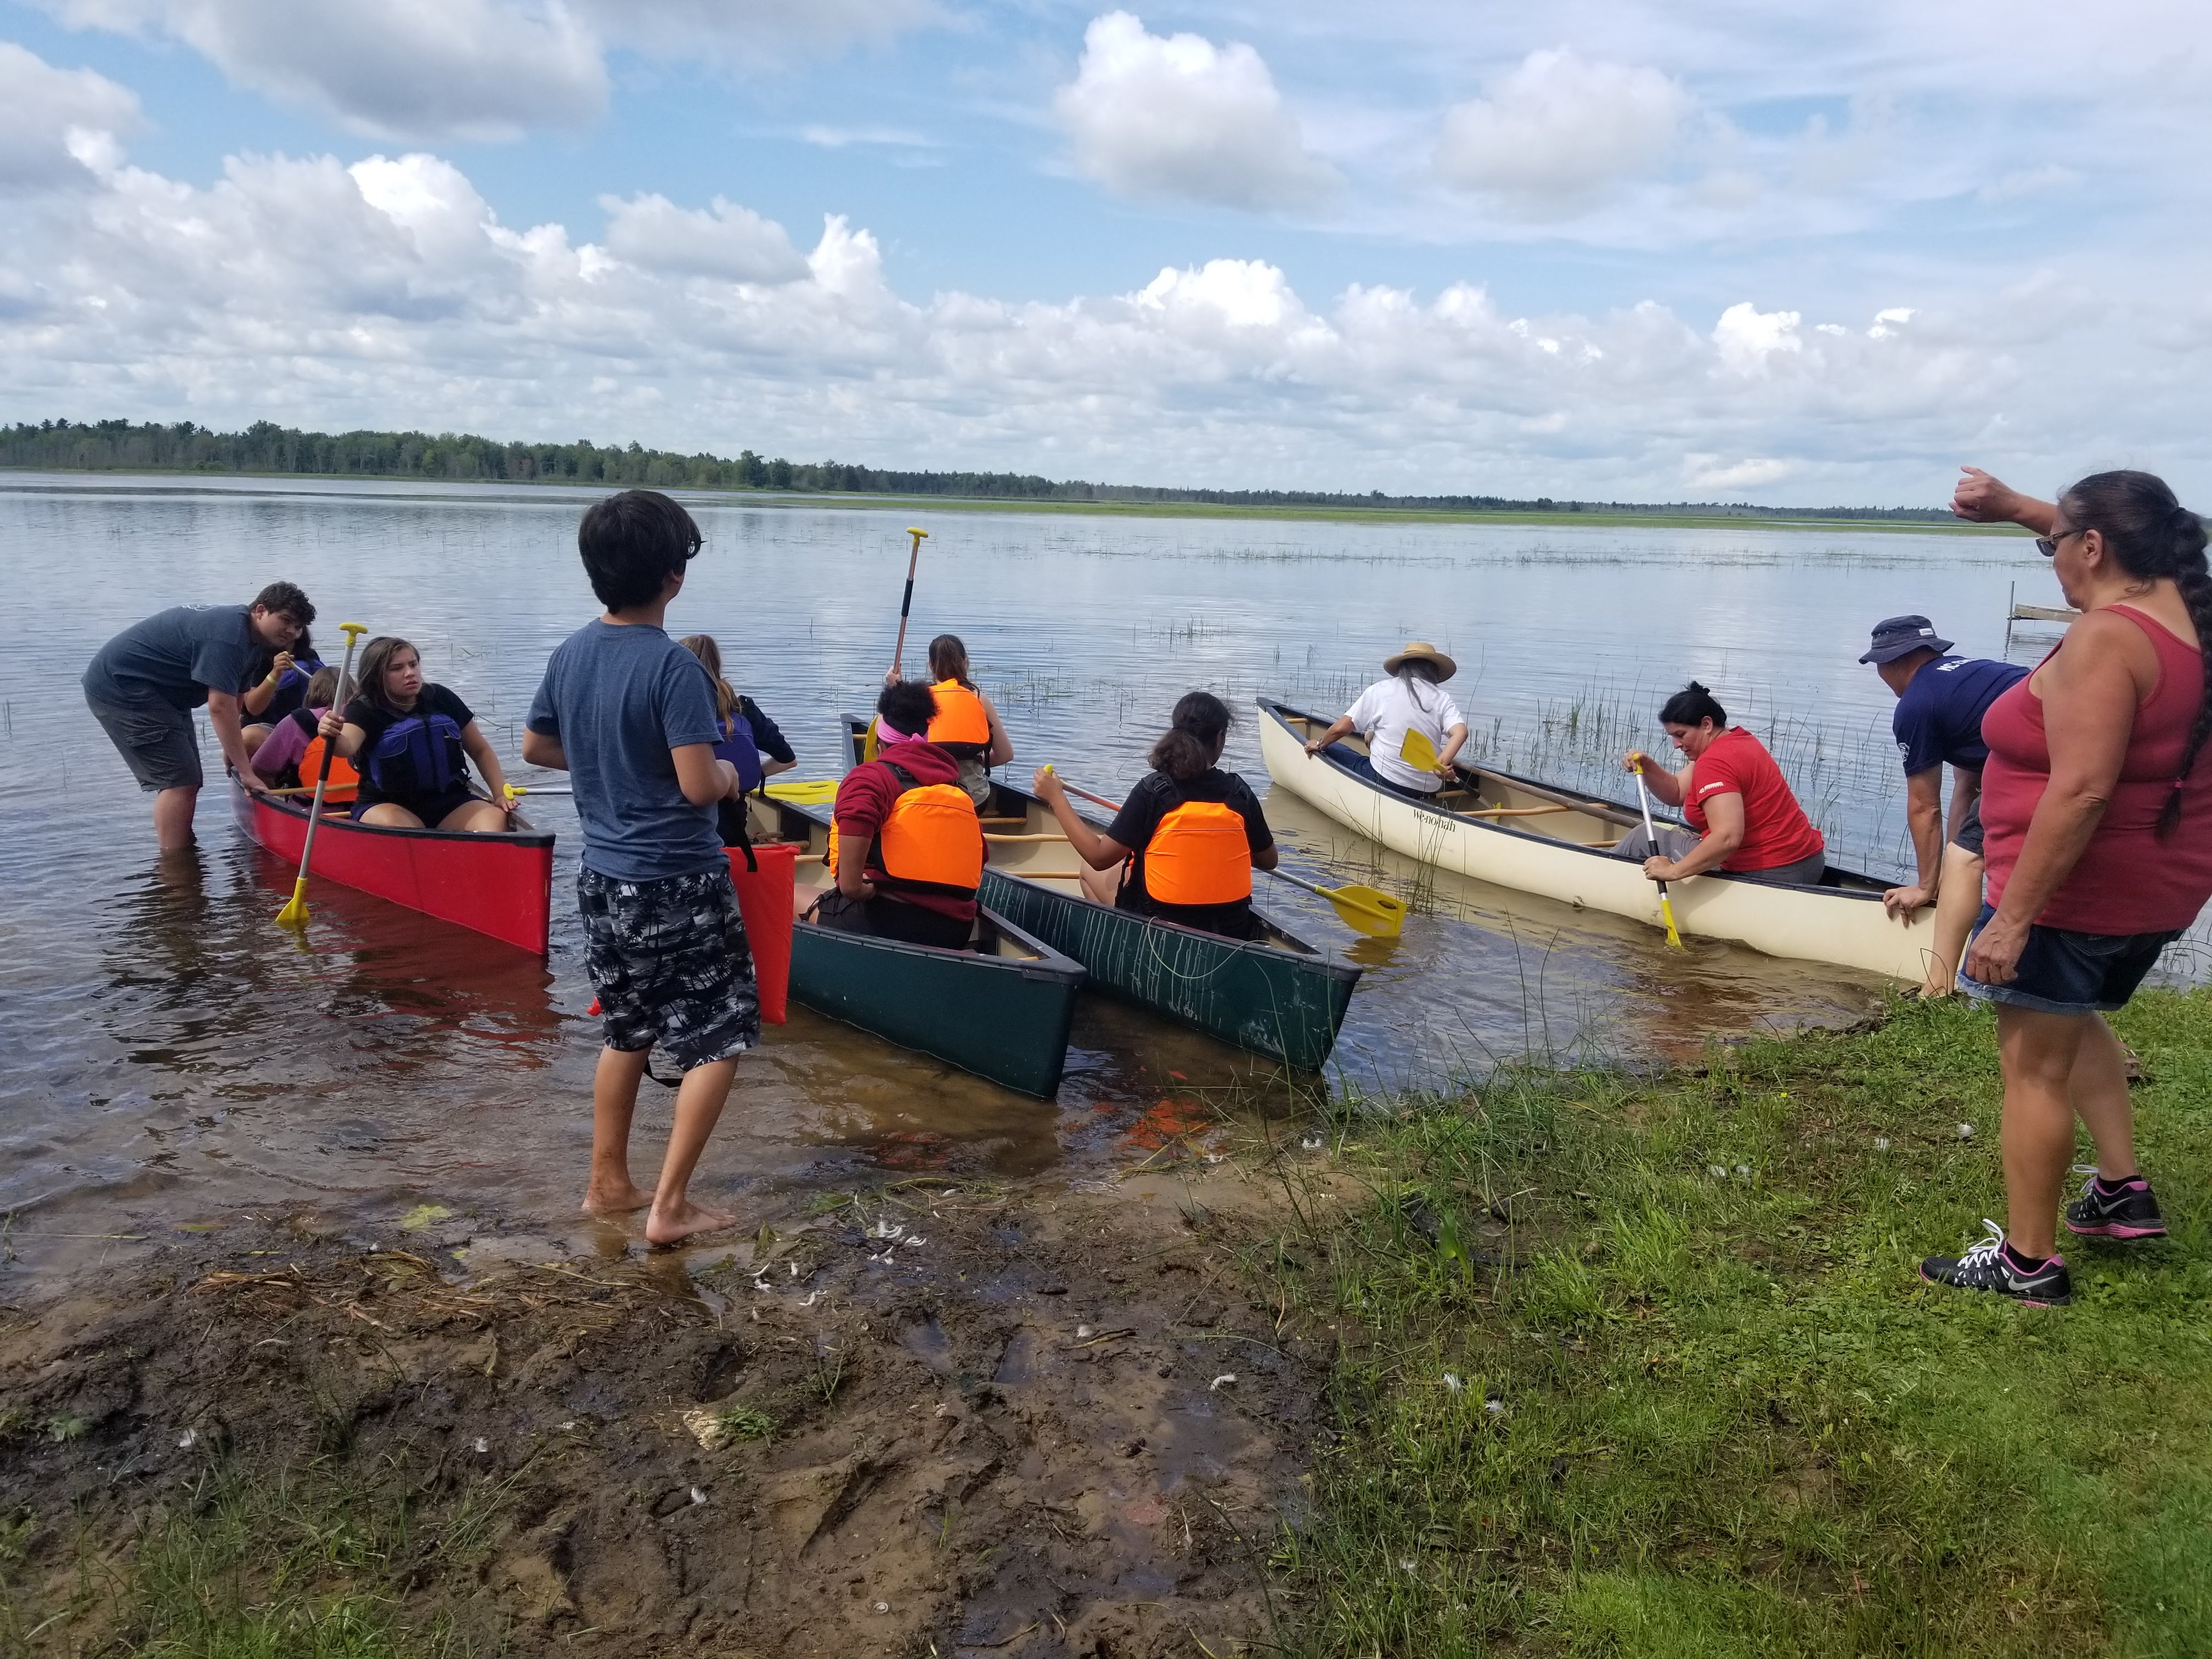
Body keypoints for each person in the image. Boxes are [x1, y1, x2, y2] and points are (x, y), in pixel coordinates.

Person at [1920, 470, 2212, 1305]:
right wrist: (2018, 509)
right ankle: (2121, 1190)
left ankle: (2028, 1262)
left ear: (2094, 548)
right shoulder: (2191, 612)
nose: (2049, 559)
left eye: (2055, 545)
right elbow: (2139, 537)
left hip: (2073, 897)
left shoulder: (2106, 641)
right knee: (2071, 1020)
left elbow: (2081, 791)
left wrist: (2011, 921)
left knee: (2032, 1070)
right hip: (2155, 890)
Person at [521, 488, 758, 1247]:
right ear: (673, 578)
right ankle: (670, 1206)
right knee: (721, 1033)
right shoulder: (674, 669)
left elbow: (536, 748)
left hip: (604, 882)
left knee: (626, 1031)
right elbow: (698, 785)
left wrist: (604, 759)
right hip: (679, 879)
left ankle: (608, 1185)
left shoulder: (570, 653)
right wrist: (731, 777)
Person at [1859, 615, 2028, 996]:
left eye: (1878, 667)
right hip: (2077, 751)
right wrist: (1945, 881)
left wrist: (1924, 886)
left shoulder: (1917, 705)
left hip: (2039, 763)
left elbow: (1924, 807)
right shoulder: (1969, 676)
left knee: (1967, 859)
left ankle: (1938, 986)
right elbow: (1968, 783)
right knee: (1963, 856)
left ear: (1893, 661)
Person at [82, 582, 315, 850]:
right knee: (180, 783)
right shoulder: (229, 637)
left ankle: (183, 852)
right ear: (261, 611)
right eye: (285, 620)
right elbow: (219, 706)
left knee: (188, 778)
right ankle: (175, 867)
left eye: (298, 627)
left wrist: (235, 750)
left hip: (163, 695)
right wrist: (246, 771)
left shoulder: (252, 643)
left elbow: (237, 698)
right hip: (124, 689)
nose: (291, 631)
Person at [1035, 691, 1280, 939]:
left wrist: (1056, 798)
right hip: (1231, 931)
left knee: (1088, 869)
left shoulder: (1153, 791)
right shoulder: (1240, 794)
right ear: (1220, 738)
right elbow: (1269, 860)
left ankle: (1120, 940)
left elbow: (1099, 857)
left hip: (1160, 931)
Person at [820, 679, 984, 950]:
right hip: (955, 930)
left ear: (881, 745)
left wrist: (867, 890)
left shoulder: (870, 779)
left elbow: (850, 888)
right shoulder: (956, 788)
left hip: (887, 922)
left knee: (786, 900)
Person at [1617, 682, 1826, 886]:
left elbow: (1727, 839)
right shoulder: (1738, 741)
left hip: (1771, 873)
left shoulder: (1714, 763)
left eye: (1681, 735)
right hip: (1809, 863)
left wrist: (1672, 871)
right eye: (1672, 736)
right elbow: (1677, 792)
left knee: (1642, 837)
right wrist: (1647, 767)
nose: (1676, 745)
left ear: (1707, 725)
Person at [315, 637, 516, 832]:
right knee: (403, 828)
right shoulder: (364, 709)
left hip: (450, 801)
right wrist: (331, 733)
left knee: (495, 820)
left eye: (413, 664)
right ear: (376, 677)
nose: (410, 673)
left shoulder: (441, 698)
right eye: (397, 668)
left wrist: (499, 793)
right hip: (386, 804)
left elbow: (480, 750)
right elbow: (345, 746)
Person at [1301, 642, 1469, 798]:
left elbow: (1341, 729)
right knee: (1371, 735)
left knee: (1331, 747)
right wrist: (1442, 763)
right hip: (1429, 790)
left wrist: (1320, 744)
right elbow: (1461, 732)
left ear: (1402, 668)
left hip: (1386, 782)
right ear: (1434, 672)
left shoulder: (1382, 690)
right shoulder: (1442, 698)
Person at [676, 634, 796, 844]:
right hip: (733, 826)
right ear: (718, 665)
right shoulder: (743, 709)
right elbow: (788, 759)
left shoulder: (676, 711)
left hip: (683, 827)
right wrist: (750, 774)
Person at [889, 635, 1013, 806]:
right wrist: (974, 760)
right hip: (974, 799)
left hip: (928, 798)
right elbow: (1006, 754)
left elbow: (889, 740)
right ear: (965, 662)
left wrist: (897, 689)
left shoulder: (918, 701)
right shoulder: (979, 698)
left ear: (931, 664)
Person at [247, 667, 359, 803]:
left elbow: (259, 768)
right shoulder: (363, 720)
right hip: (360, 809)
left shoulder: (296, 722)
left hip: (309, 809)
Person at [239, 627, 321, 755]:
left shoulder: (309, 656)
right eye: (286, 623)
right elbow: (253, 708)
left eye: (297, 626)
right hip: (268, 726)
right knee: (247, 738)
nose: (290, 631)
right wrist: (275, 673)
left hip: (303, 726)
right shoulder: (259, 656)